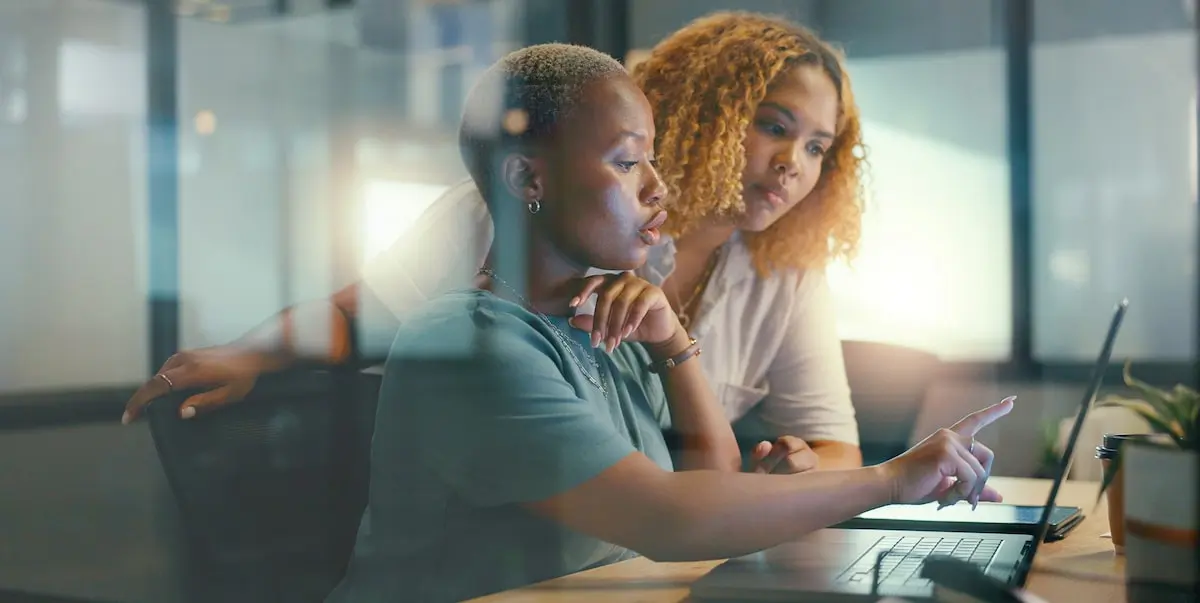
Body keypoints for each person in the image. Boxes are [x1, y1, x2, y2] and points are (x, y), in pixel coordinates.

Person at [322, 43, 1012, 603]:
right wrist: (891, 480)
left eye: (651, 157)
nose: (657, 187)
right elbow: (669, 517)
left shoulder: (604, 322)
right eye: (627, 162)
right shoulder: (467, 345)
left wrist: (673, 342)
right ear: (528, 181)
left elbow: (709, 478)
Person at [125, 11, 863, 473]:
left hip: (651, 526)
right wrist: (256, 350)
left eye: (818, 147)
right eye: (774, 126)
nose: (794, 164)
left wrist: (799, 470)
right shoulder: (512, 214)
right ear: (705, 110)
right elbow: (360, 313)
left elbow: (834, 448)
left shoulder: (785, 270)